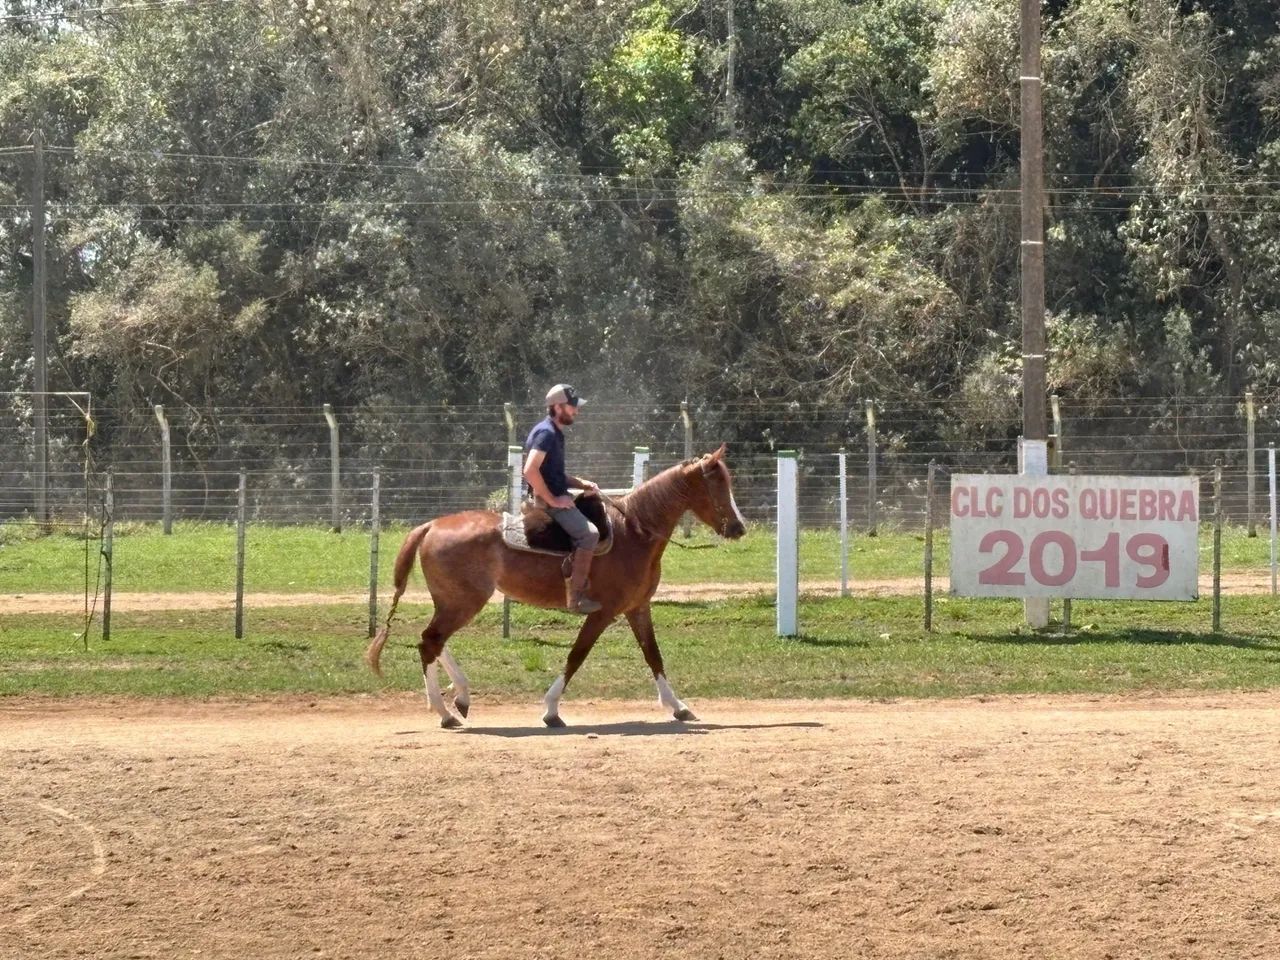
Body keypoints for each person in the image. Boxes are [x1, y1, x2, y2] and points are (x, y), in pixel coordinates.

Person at [523, 384, 603, 614]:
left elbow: (553, 474)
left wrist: (581, 483)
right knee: (590, 534)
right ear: (557, 407)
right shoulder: (547, 433)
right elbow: (530, 470)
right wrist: (554, 501)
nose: (576, 411)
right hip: (548, 502)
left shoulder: (554, 433)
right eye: (572, 407)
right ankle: (575, 598)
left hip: (555, 495)